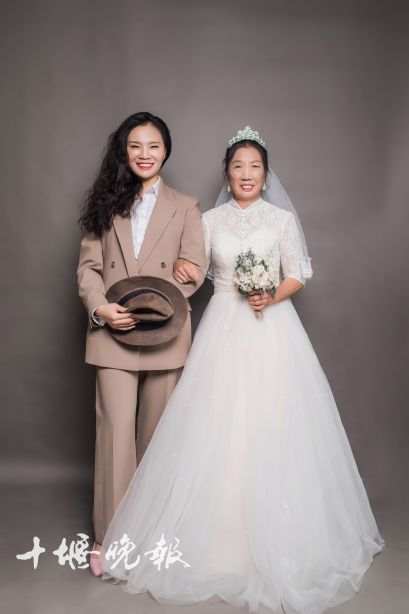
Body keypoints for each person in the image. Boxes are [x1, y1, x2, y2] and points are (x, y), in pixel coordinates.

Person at [98, 126, 385, 614]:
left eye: (254, 167)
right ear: (226, 174)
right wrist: (187, 272)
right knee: (216, 426)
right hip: (223, 327)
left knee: (275, 422)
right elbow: (191, 264)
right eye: (237, 167)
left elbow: (299, 271)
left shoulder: (281, 220)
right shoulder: (208, 220)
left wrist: (271, 294)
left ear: (266, 174)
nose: (246, 174)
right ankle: (214, 536)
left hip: (273, 327)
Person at [76, 112, 207, 576]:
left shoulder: (186, 206)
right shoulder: (104, 203)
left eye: (153, 145)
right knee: (114, 438)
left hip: (165, 333)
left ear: (166, 149)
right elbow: (89, 268)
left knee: (157, 439)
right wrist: (101, 308)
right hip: (112, 330)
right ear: (124, 151)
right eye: (135, 146)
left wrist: (168, 291)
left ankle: (153, 534)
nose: (144, 154)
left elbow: (194, 265)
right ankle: (109, 540)